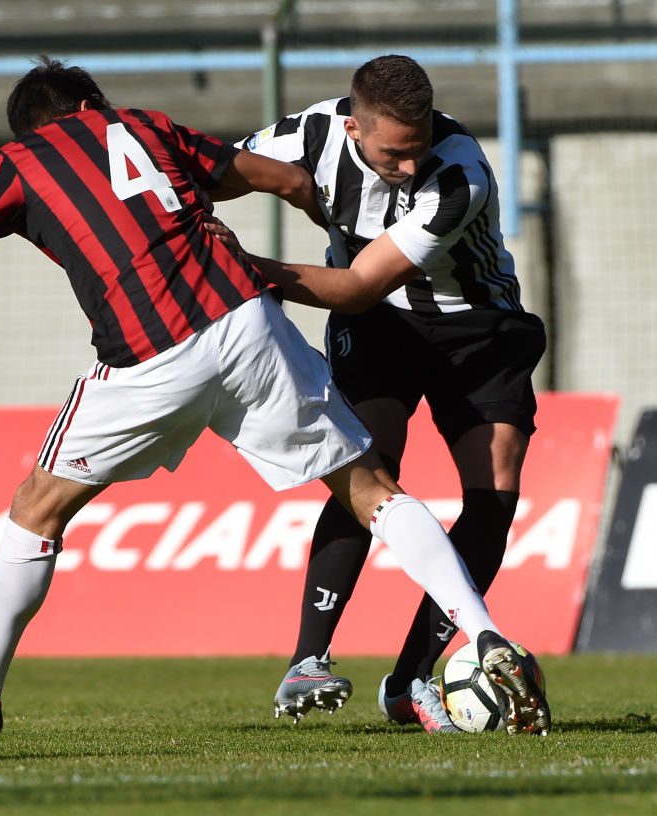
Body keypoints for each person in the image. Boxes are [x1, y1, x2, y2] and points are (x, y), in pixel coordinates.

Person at [0, 57, 549, 738]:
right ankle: (484, 636)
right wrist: (274, 216)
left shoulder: (16, 165)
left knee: (37, 508)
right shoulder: (150, 127)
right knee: (372, 489)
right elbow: (284, 177)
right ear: (93, 103)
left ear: (30, 129)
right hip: (248, 322)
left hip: (150, 354)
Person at [235, 54, 548, 733]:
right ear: (353, 127)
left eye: (418, 148)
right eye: (392, 154)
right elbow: (209, 174)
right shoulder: (308, 135)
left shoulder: (459, 174)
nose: (408, 165)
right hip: (379, 328)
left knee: (494, 492)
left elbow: (357, 285)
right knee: (366, 464)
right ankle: (308, 658)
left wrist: (238, 264)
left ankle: (410, 681)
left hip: (476, 325)